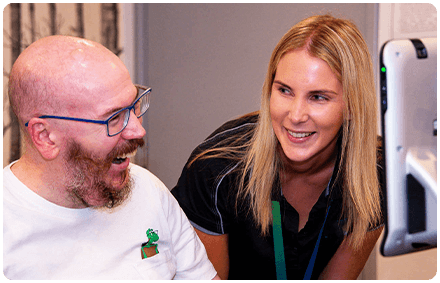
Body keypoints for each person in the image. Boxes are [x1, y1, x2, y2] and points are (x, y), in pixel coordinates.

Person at [171, 15, 384, 280]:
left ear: (353, 106)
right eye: (284, 90)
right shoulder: (215, 170)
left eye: (318, 97)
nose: (295, 115)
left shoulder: (377, 172)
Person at [3, 35, 220, 280]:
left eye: (134, 106)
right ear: (45, 136)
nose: (138, 130)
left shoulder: (148, 190)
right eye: (113, 118)